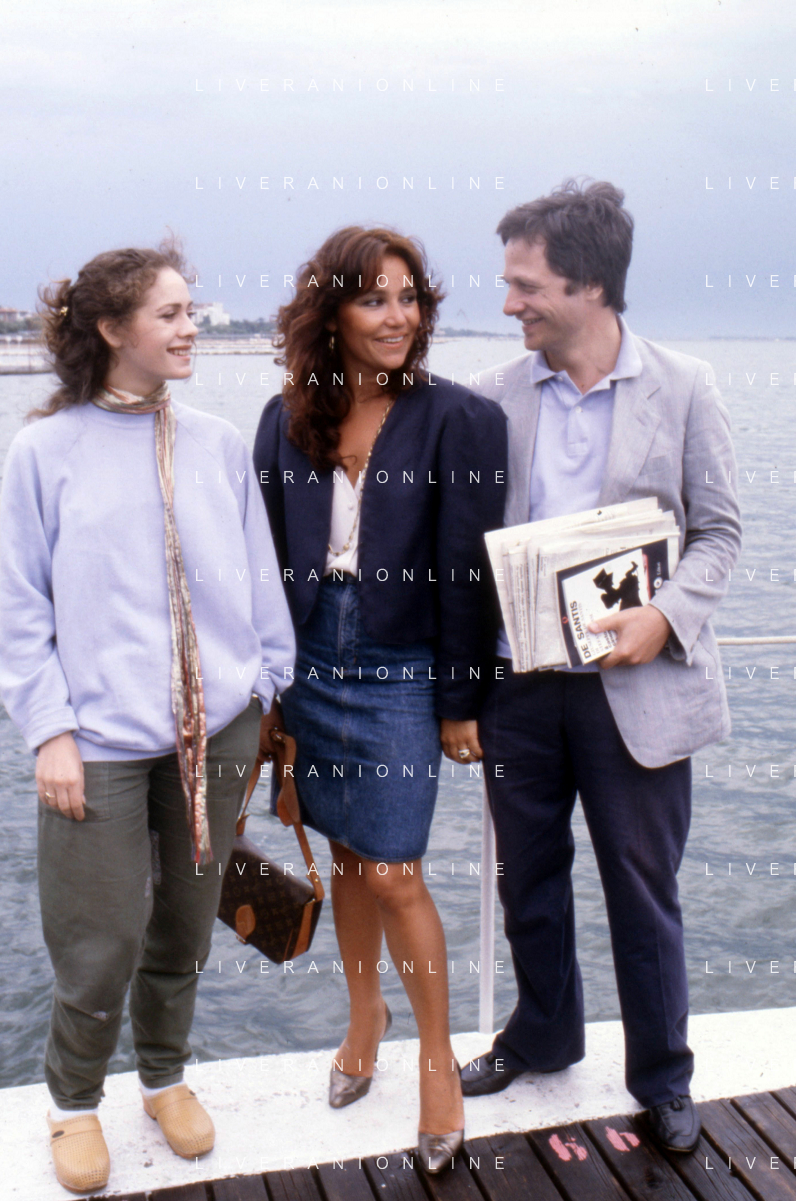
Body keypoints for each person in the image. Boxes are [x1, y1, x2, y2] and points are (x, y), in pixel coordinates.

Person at [0, 244, 295, 1193]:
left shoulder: (217, 442)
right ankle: (73, 1100)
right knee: (99, 935)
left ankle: (164, 1076)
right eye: (169, 314)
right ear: (110, 328)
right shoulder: (43, 450)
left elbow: (258, 575)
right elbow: (19, 607)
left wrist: (266, 687)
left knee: (186, 922)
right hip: (96, 741)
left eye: (190, 310)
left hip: (219, 729)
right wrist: (50, 729)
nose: (190, 328)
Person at [460, 181, 741, 1154]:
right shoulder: (492, 394)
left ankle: (662, 1075)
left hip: (638, 688)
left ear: (588, 284)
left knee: (641, 886)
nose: (509, 304)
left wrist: (665, 617)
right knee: (526, 876)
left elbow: (719, 533)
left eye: (525, 286)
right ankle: (543, 1032)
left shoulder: (687, 386)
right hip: (520, 685)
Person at [253, 226, 507, 1173]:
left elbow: (470, 575)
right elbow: (263, 564)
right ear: (332, 314)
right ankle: (365, 1014)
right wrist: (269, 691)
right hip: (309, 658)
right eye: (373, 299)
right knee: (349, 856)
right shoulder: (286, 417)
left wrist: (460, 700)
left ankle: (436, 1059)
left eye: (408, 297)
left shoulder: (461, 419)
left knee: (396, 868)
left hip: (402, 665)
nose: (397, 316)